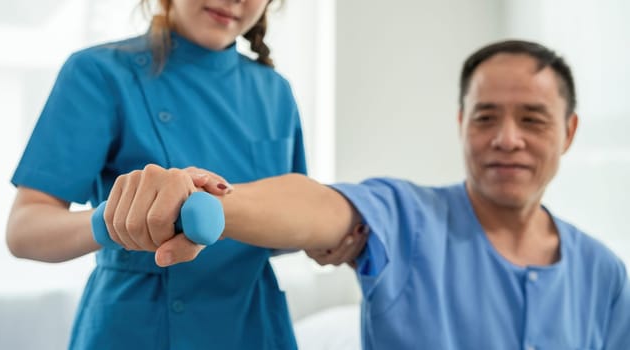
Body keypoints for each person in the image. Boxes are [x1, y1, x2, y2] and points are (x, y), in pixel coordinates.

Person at [104, 40, 630, 349]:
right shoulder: (409, 218)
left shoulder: (603, 272)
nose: (506, 138)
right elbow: (316, 207)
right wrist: (209, 203)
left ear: (569, 131)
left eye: (533, 119)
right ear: (461, 123)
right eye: (486, 116)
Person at [6, 0, 363, 348]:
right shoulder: (99, 72)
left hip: (254, 326)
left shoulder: (275, 91)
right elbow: (24, 230)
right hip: (138, 329)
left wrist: (322, 242)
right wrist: (112, 220)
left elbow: (282, 227)